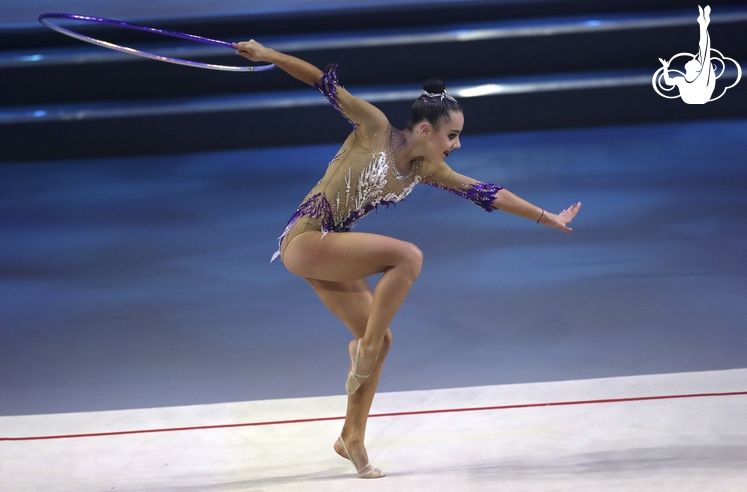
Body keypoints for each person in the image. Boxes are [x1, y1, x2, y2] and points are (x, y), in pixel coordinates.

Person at [235, 40, 581, 479]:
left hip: (330, 247)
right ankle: (367, 349)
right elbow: (321, 82)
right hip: (306, 239)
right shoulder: (374, 127)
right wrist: (269, 55)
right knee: (407, 258)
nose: (457, 144)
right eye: (451, 135)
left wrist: (545, 216)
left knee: (380, 340)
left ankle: (351, 437)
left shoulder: (424, 169)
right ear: (423, 130)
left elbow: (488, 192)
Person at [659, 5, 715, 104]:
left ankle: (703, 24)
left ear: (695, 69)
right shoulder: (682, 80)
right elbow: (668, 82)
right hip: (696, 98)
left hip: (699, 97)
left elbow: (705, 49)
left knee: (704, 50)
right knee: (704, 51)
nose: (692, 59)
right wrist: (665, 67)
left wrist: (665, 67)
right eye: (695, 61)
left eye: (694, 61)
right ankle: (703, 24)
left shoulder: (700, 77)